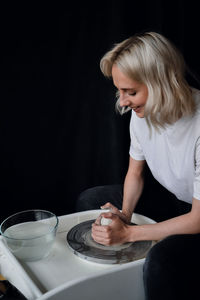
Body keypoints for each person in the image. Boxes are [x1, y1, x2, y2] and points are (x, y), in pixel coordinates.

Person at [76, 31, 200, 299]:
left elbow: (198, 218)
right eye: (120, 91)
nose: (122, 102)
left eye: (130, 92)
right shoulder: (142, 113)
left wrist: (129, 233)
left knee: (161, 261)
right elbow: (135, 172)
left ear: (162, 84)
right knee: (92, 200)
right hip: (176, 201)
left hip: (198, 217)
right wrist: (125, 214)